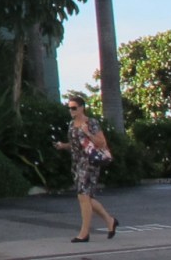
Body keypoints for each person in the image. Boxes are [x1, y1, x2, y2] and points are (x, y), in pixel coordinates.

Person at [53, 93, 117, 242]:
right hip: (76, 163)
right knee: (86, 198)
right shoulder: (71, 124)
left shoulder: (91, 123)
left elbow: (102, 143)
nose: (71, 111)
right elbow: (76, 145)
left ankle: (84, 233)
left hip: (89, 163)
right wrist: (63, 146)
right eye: (69, 108)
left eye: (74, 108)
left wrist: (88, 132)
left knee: (82, 196)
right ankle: (110, 221)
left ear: (82, 108)